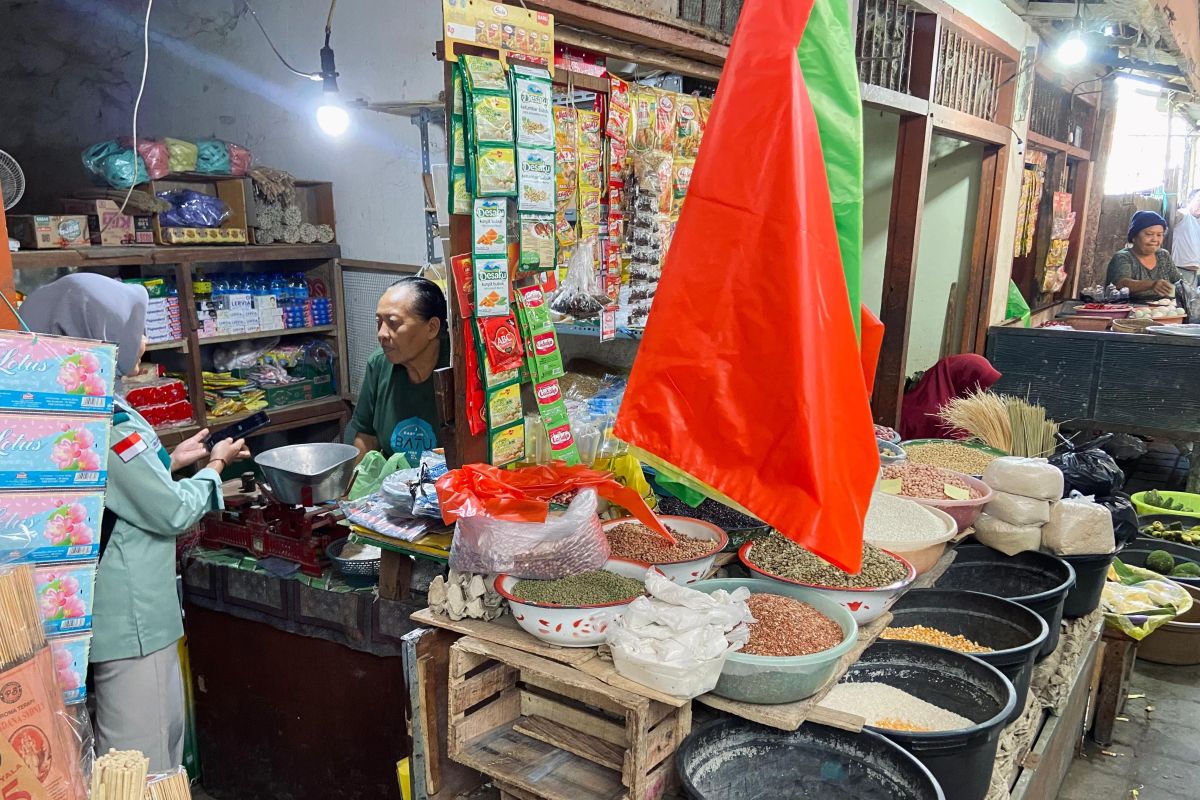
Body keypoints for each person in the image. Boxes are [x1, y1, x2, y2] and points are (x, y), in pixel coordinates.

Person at [20, 273, 249, 772]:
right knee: (140, 760)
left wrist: (167, 461)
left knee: (151, 741)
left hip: (116, 612)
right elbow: (170, 511)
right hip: (131, 619)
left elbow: (108, 492)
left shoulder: (72, 408)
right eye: (133, 326)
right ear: (101, 332)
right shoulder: (107, 419)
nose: (142, 338)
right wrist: (215, 468)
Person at [350, 276, 449, 464]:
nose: (381, 334)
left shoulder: (459, 364)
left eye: (393, 322)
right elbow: (366, 437)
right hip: (393, 487)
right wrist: (350, 492)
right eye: (379, 322)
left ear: (432, 327)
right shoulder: (379, 364)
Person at [899, 354, 1002, 441]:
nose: (982, 394)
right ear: (964, 380)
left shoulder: (921, 395)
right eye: (981, 388)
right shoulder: (943, 419)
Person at [1105, 210, 1183, 299]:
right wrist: (1151, 284)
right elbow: (1120, 283)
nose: (1155, 239)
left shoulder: (1163, 255)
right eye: (1149, 234)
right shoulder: (1123, 257)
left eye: (1159, 235)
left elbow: (1179, 282)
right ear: (1134, 236)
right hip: (1130, 310)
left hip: (1166, 311)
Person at [1172, 189, 1200, 286]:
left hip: (1194, 273)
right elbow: (1173, 215)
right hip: (1179, 270)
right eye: (1199, 200)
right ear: (1189, 201)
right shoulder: (1183, 214)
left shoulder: (1198, 221)